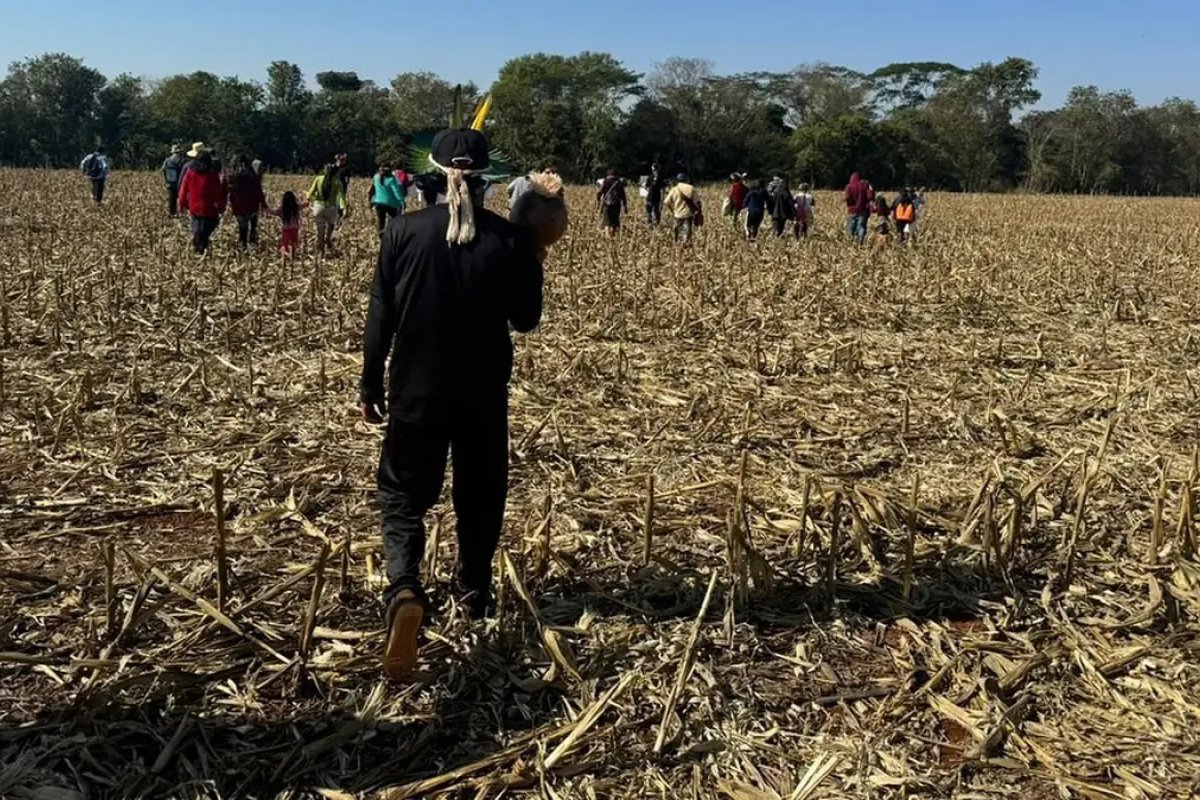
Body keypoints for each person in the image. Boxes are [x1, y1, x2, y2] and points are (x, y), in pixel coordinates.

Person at [358, 127, 547, 680]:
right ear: (486, 180)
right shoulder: (508, 240)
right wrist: (535, 253)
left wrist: (370, 383)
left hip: (414, 389)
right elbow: (526, 320)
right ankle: (474, 594)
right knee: (480, 494)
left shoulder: (402, 231)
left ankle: (404, 588)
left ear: (435, 176)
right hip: (482, 393)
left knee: (402, 493)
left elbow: (381, 313)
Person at [177, 151, 225, 254]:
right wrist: (221, 207)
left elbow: (183, 191)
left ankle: (198, 248)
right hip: (209, 209)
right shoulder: (212, 175)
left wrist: (181, 205)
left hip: (194, 208)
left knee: (197, 229)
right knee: (206, 231)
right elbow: (218, 193)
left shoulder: (190, 173)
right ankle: (202, 248)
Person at [224, 154, 267, 249]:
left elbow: (225, 190)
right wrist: (263, 204)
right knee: (252, 225)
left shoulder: (232, 176)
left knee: (243, 227)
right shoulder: (251, 174)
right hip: (252, 205)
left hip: (238, 206)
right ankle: (252, 241)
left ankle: (243, 245)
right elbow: (258, 190)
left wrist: (222, 203)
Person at [307, 164, 348, 255]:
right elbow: (341, 197)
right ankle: (328, 237)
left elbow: (311, 192)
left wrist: (308, 198)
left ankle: (321, 252)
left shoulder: (318, 179)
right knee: (331, 224)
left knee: (320, 232)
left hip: (319, 208)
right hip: (331, 209)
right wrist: (344, 208)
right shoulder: (337, 182)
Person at [266, 190, 307, 257]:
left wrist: (266, 208)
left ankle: (284, 256)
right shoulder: (296, 207)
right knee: (294, 243)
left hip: (286, 229)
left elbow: (274, 212)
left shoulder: (283, 208)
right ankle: (293, 256)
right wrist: (307, 197)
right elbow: (305, 205)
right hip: (295, 228)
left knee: (285, 244)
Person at [663, 174, 700, 243]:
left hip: (677, 214)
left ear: (677, 180)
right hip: (688, 213)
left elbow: (666, 202)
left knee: (678, 230)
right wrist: (699, 212)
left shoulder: (674, 189)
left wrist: (672, 210)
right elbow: (698, 202)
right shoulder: (691, 188)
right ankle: (686, 243)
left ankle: (677, 243)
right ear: (686, 179)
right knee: (687, 231)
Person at [370, 165, 407, 234]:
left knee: (381, 221)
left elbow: (374, 189)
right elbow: (396, 192)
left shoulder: (376, 177)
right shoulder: (391, 179)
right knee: (394, 220)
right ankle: (392, 233)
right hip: (391, 203)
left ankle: (381, 235)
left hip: (378, 202)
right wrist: (402, 201)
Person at [596, 170, 627, 234]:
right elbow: (623, 195)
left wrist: (598, 201)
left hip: (607, 204)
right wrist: (625, 206)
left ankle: (607, 235)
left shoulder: (606, 181)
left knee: (606, 221)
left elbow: (599, 192)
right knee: (614, 220)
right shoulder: (618, 182)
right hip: (616, 204)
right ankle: (612, 234)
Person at [845, 172, 872, 243]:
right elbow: (870, 197)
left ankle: (850, 242)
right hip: (863, 210)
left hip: (852, 211)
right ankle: (860, 241)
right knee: (861, 226)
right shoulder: (865, 185)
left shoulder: (849, 186)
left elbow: (847, 198)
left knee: (851, 227)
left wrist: (850, 204)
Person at [162, 145, 187, 217]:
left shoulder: (167, 161)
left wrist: (166, 180)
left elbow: (163, 170)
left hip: (171, 183)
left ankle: (172, 213)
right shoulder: (184, 160)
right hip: (181, 183)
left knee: (172, 199)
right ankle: (181, 213)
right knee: (182, 198)